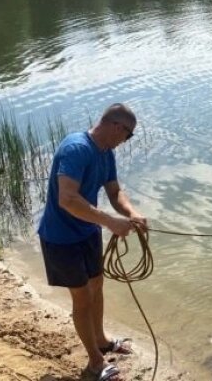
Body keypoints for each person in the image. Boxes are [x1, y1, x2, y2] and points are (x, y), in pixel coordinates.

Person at [37, 103, 148, 381]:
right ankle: (95, 365)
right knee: (82, 297)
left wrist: (132, 214)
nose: (127, 141)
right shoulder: (77, 149)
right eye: (129, 135)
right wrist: (110, 222)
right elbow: (67, 199)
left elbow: (114, 191)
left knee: (97, 285)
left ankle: (101, 340)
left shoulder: (105, 153)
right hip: (61, 237)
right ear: (116, 127)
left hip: (87, 232)